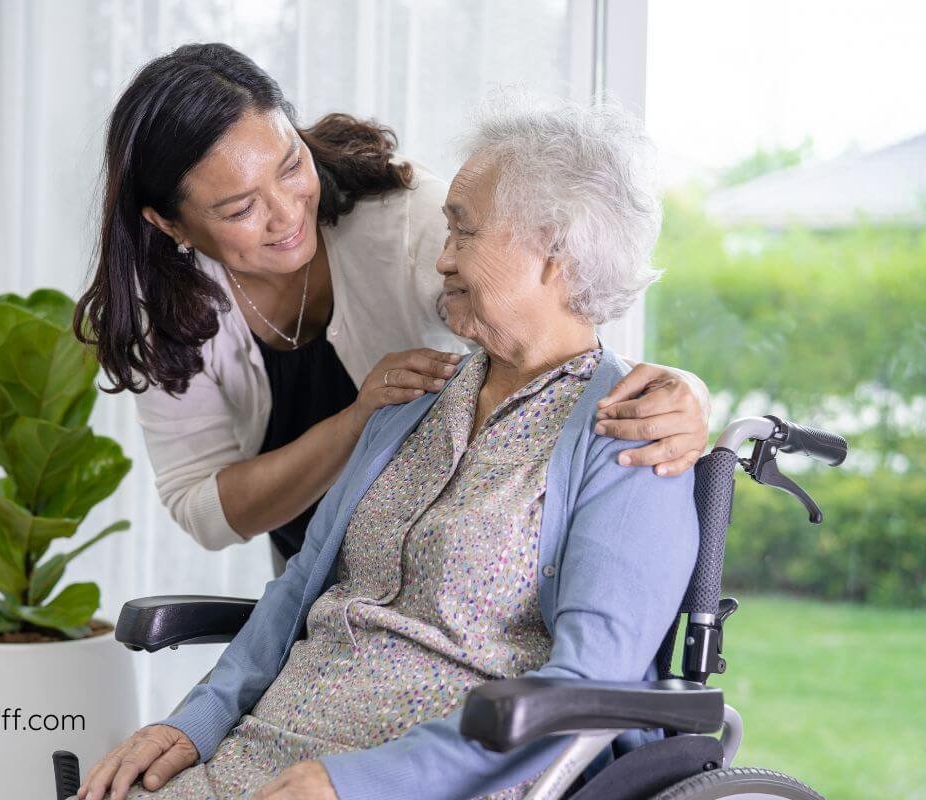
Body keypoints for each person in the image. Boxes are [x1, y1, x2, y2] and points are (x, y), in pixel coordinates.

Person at [78, 92, 700, 800]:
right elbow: (295, 590)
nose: (440, 260)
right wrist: (192, 723)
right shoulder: (411, 401)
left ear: (554, 253)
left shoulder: (628, 441)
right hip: (269, 754)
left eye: (463, 235)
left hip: (431, 778)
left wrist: (361, 782)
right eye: (447, 233)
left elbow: (590, 683)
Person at [73, 43, 710, 566]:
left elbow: (565, 328)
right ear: (169, 225)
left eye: (291, 165)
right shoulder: (162, 310)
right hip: (322, 585)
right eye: (241, 209)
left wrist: (682, 394)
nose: (288, 212)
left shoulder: (414, 225)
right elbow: (205, 510)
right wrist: (359, 421)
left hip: (446, 570)